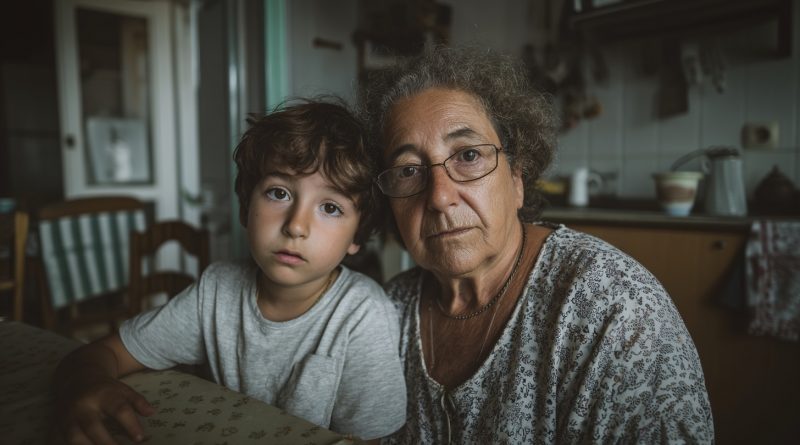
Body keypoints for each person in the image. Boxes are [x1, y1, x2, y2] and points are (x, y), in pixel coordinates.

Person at [359, 46, 714, 444]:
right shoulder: (384, 314)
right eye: (408, 170)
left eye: (469, 155)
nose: (440, 197)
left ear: (517, 179)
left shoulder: (613, 306)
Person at [52, 99, 407, 444]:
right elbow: (100, 355)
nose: (296, 226)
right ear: (245, 207)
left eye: (330, 207)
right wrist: (87, 385)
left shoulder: (364, 317)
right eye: (279, 193)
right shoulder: (217, 290)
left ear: (356, 236)